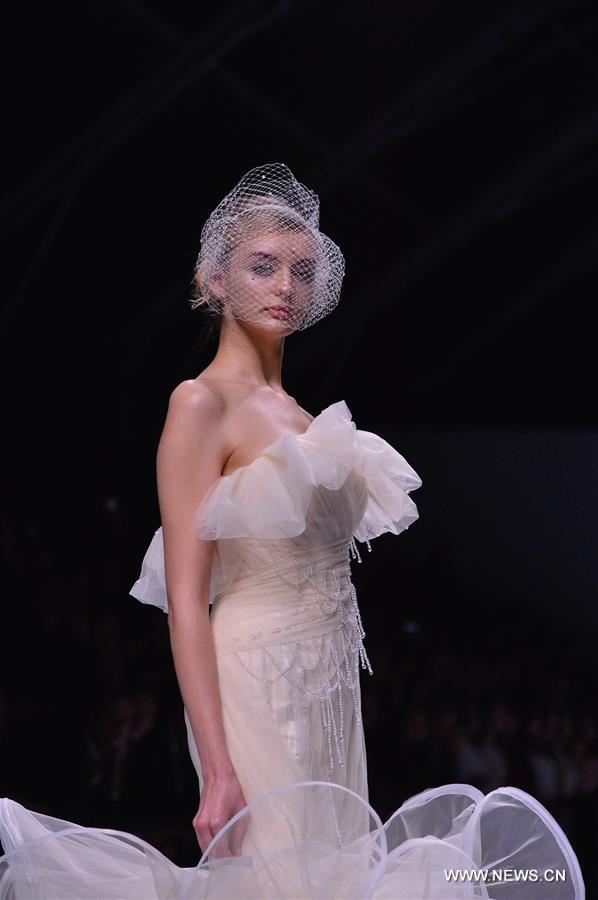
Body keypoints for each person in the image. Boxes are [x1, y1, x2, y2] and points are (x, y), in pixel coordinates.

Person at [0, 164, 585, 898]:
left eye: (301, 271)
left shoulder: (302, 416)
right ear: (216, 280)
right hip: (257, 680)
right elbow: (186, 602)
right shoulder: (198, 404)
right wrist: (215, 770)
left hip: (331, 689)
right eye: (263, 267)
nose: (284, 286)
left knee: (328, 877)